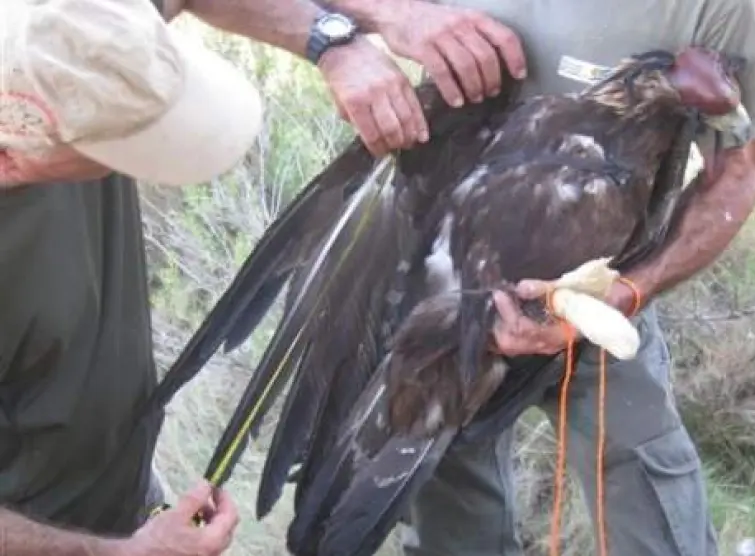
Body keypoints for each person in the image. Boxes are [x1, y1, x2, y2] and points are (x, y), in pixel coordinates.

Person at [0, 0, 524, 554]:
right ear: (12, 154)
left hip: (119, 503)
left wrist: (335, 38)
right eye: (123, 146)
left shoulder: (50, 36)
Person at [389, 1, 755, 555]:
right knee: (451, 518)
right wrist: (383, 27)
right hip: (458, 298)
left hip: (603, 293)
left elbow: (739, 173)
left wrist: (626, 292)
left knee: (652, 513)